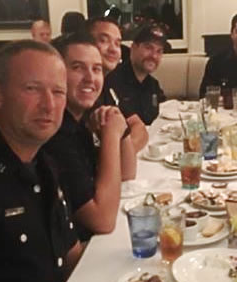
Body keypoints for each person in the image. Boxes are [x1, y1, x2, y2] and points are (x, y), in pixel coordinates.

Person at [0, 40, 81, 282]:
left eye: (58, 92)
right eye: (32, 89)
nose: (49, 105)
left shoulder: (46, 165)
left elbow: (69, 253)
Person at [46, 32, 136, 241]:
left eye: (96, 69)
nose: (90, 78)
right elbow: (102, 220)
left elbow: (128, 175)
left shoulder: (82, 118)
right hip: (77, 254)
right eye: (77, 68)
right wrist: (111, 136)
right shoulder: (55, 132)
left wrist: (120, 133)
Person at [87, 16, 148, 151]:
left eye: (117, 43)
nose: (113, 49)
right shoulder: (82, 95)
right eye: (104, 40)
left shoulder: (109, 85)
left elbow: (138, 126)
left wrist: (123, 154)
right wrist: (122, 155)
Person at [103, 24, 167, 125]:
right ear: (133, 48)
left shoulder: (153, 85)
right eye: (148, 48)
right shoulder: (112, 82)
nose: (154, 56)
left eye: (159, 51)